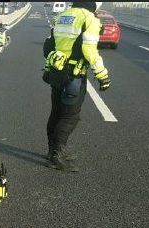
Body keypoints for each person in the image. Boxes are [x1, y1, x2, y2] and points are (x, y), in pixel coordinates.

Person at [42, 1, 110, 172]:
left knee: (56, 113)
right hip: (73, 75)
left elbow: (50, 44)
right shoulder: (89, 18)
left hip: (57, 72)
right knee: (70, 116)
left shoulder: (62, 15)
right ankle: (57, 155)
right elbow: (89, 51)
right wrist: (102, 75)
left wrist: (48, 68)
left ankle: (52, 152)